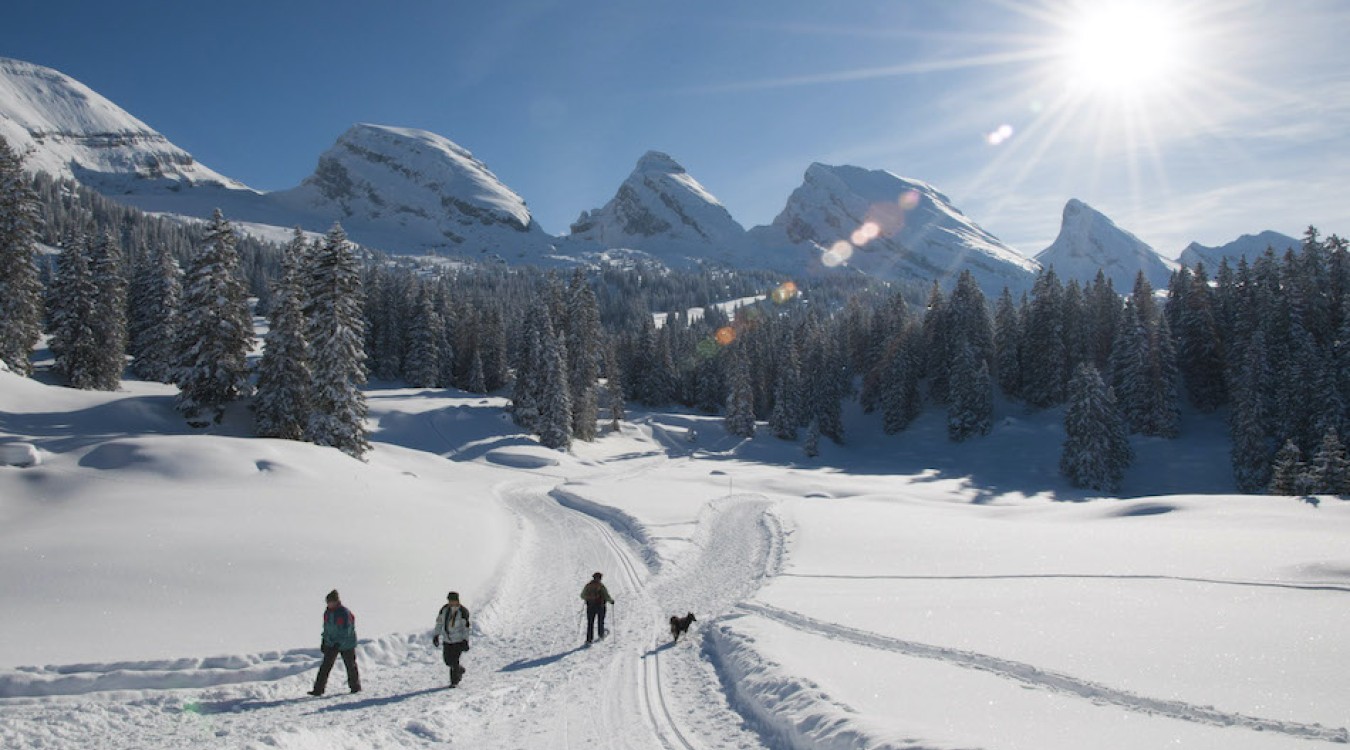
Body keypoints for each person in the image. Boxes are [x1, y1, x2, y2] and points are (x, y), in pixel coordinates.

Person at [309, 589, 360, 696]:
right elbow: (326, 629)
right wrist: (324, 641)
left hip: (347, 644)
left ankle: (355, 687)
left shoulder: (344, 613)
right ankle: (318, 690)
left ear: (336, 601)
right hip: (331, 644)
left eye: (330, 602)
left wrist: (338, 643)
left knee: (350, 666)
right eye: (327, 602)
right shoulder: (327, 613)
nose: (329, 604)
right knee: (325, 667)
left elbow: (347, 630)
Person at [432, 591, 471, 688]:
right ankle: (459, 669)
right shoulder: (444, 610)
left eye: (452, 600)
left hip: (458, 641)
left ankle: (454, 681)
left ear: (457, 600)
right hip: (447, 640)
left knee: (454, 661)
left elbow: (466, 628)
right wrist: (436, 635)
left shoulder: (463, 611)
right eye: (449, 600)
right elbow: (439, 623)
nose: (450, 602)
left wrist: (465, 640)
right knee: (447, 661)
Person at [580, 572, 614, 644]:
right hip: (600, 606)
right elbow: (606, 596)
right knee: (600, 621)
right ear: (600, 578)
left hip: (590, 606)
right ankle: (601, 635)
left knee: (590, 623)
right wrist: (611, 601)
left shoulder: (588, 586)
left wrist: (588, 598)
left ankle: (589, 639)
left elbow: (582, 595)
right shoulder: (600, 586)